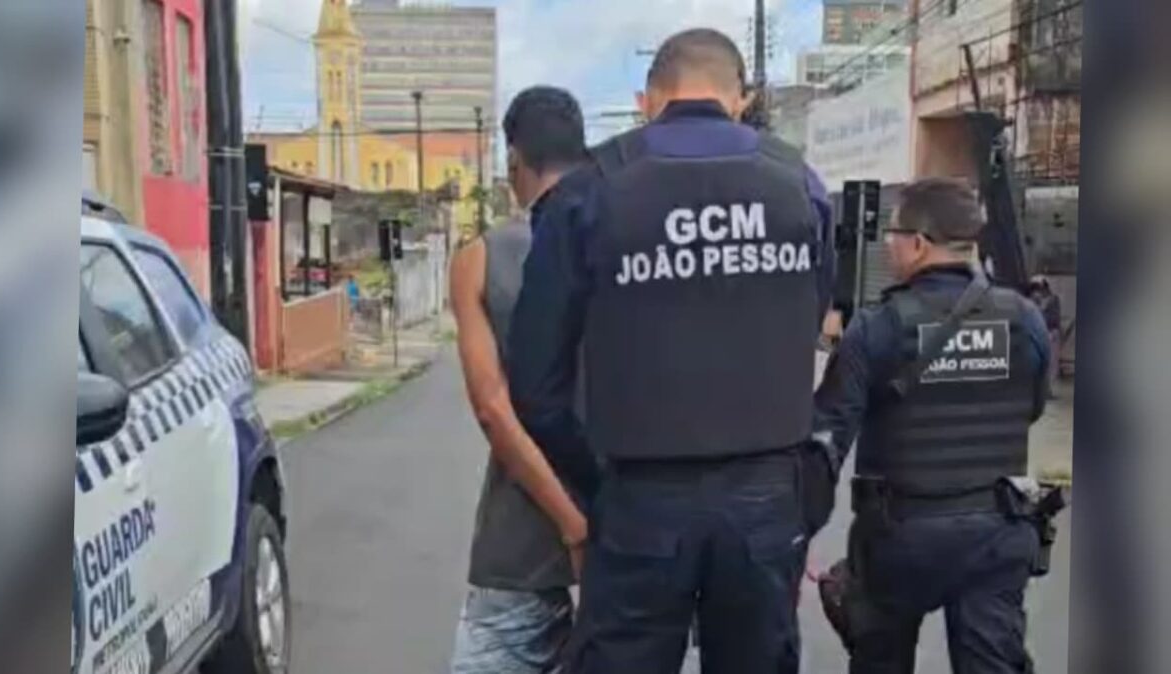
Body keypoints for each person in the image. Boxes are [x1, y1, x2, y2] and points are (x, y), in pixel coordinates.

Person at [509, 28, 834, 674]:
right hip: (765, 499)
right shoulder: (800, 183)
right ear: (741, 99)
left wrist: (598, 479)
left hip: (639, 498)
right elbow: (810, 319)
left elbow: (535, 383)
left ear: (647, 99)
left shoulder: (590, 190)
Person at [812, 178, 1053, 673]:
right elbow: (1031, 407)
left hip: (899, 538)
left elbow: (827, 440)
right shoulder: (1024, 318)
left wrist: (794, 533)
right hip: (998, 529)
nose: (889, 245)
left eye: (893, 235)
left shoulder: (877, 327)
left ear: (918, 244)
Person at [446, 86, 591, 674]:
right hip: (635, 529)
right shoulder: (632, 239)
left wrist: (572, 528)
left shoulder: (482, 258)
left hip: (522, 540)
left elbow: (493, 409)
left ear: (513, 160)